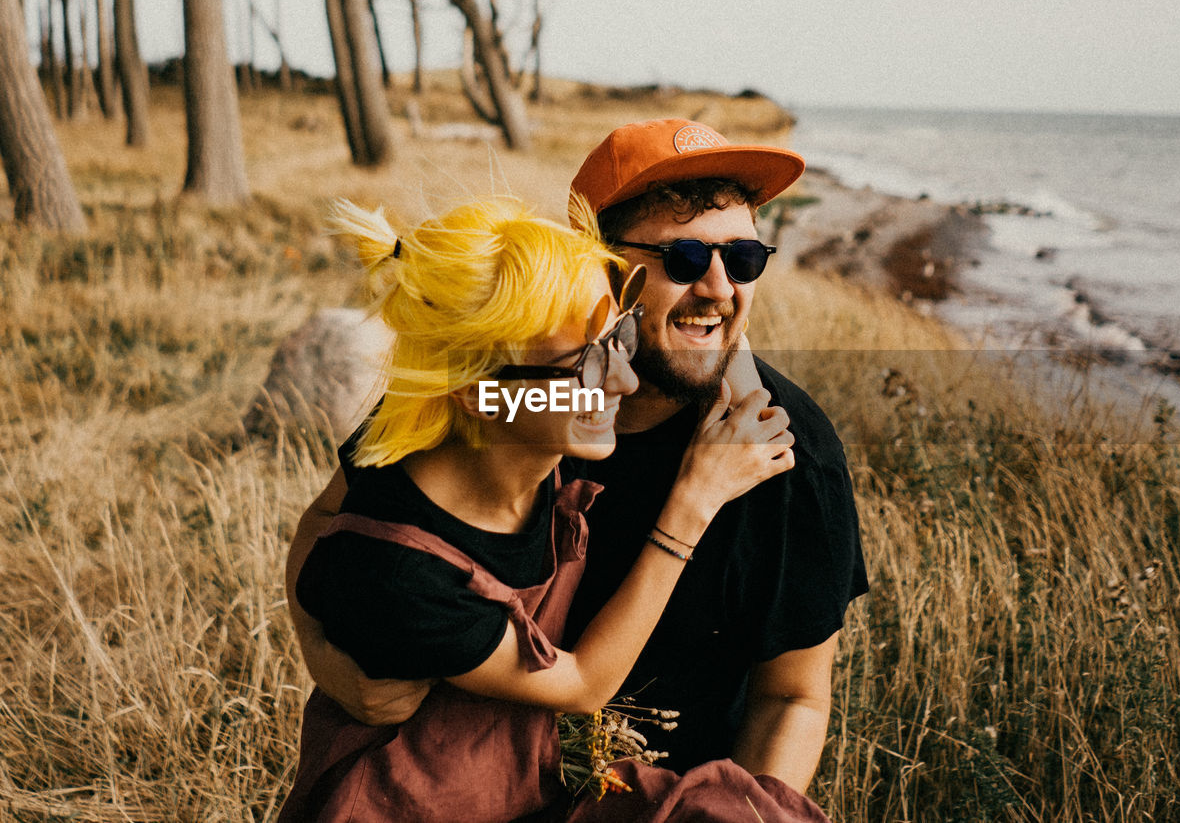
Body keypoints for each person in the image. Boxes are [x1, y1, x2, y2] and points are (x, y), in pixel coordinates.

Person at [290, 119, 868, 796]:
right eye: (684, 258)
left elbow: (793, 697)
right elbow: (328, 521)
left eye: (743, 259)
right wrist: (327, 659)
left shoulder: (781, 448)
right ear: (599, 265)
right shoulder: (496, 394)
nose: (719, 288)